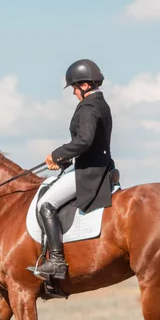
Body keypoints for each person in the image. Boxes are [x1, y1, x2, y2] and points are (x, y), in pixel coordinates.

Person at [31, 59, 115, 287]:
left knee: (45, 204)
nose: (74, 93)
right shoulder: (100, 103)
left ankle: (57, 261)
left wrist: (57, 154)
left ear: (85, 85)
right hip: (97, 165)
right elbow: (90, 143)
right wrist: (65, 159)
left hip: (89, 172)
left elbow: (84, 141)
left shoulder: (89, 107)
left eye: (75, 88)